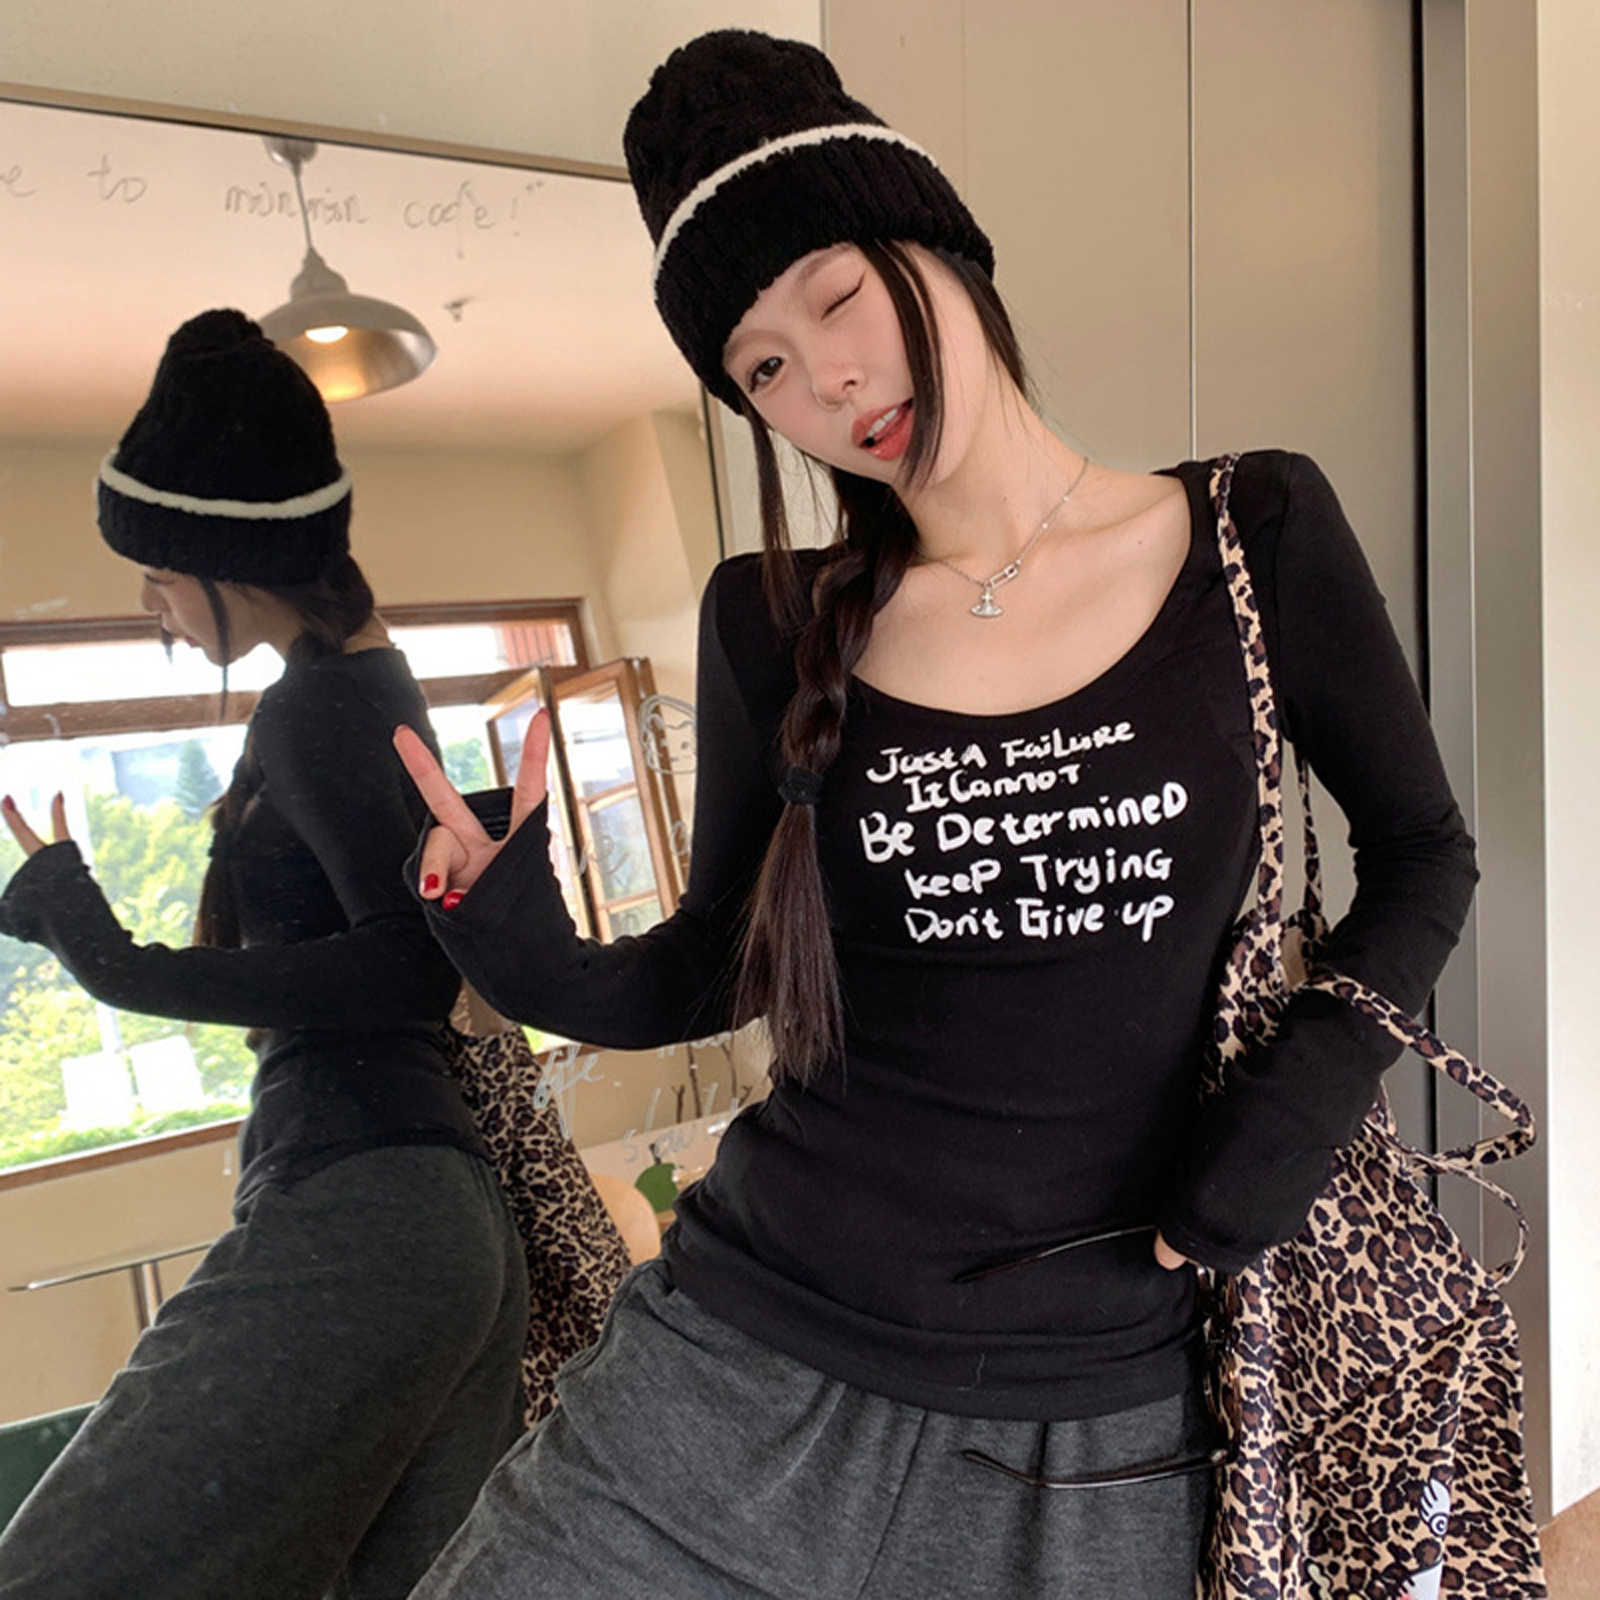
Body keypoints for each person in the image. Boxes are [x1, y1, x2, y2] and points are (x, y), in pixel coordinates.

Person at [395, 30, 1476, 1600]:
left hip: (1088, 1428)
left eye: (835, 299)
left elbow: (1425, 852)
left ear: (940, 249)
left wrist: (1296, 1107)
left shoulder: (1254, 530)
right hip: (733, 1362)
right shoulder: (772, 620)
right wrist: (504, 929)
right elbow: (713, 974)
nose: (826, 382)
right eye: (762, 369)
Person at [0, 311, 527, 1600]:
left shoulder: (315, 706)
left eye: (157, 570)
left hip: (367, 1201)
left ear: (228, 556)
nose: (151, 602)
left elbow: (402, 967)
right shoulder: (367, 685)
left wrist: (109, 959)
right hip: (428, 1217)